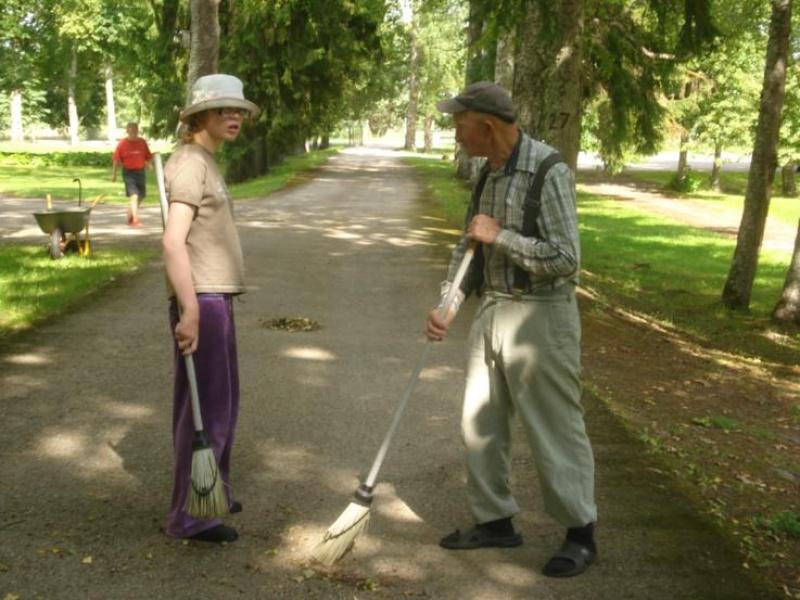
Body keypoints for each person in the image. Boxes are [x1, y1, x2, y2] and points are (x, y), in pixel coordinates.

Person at [425, 81, 598, 578]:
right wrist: (448, 305)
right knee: (479, 424)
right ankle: (495, 520)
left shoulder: (548, 170)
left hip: (542, 317)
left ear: (487, 125)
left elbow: (566, 259)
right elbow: (469, 251)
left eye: (459, 123)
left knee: (555, 429)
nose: (455, 132)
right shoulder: (487, 174)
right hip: (492, 312)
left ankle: (580, 534)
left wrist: (500, 235)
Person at [161, 74, 259, 543]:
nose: (235, 116)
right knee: (204, 408)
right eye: (225, 110)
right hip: (201, 299)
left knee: (224, 400)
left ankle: (211, 492)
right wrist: (190, 309)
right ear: (200, 116)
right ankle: (191, 515)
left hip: (215, 296)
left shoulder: (206, 161)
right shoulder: (189, 163)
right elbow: (172, 241)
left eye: (238, 110)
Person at [111, 122, 153, 227]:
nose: (133, 134)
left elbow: (148, 156)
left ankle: (130, 212)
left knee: (141, 196)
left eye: (135, 131)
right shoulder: (122, 144)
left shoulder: (142, 142)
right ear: (127, 131)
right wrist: (114, 174)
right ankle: (135, 220)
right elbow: (116, 159)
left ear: (137, 131)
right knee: (134, 195)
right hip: (128, 172)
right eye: (131, 131)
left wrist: (149, 164)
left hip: (140, 171)